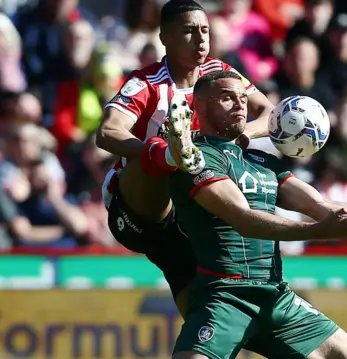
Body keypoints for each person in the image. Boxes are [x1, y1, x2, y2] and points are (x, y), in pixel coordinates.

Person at [168, 70, 347, 359]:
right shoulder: (195, 158)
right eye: (227, 98)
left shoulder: (262, 161)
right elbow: (243, 219)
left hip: (277, 297)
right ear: (201, 106)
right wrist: (317, 231)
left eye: (243, 98)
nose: (240, 105)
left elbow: (319, 205)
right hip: (224, 296)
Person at [95, 0, 273, 314]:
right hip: (137, 208)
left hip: (188, 208)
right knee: (166, 159)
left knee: (202, 303)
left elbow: (268, 111)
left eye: (204, 30)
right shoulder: (145, 84)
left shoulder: (220, 75)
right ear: (164, 37)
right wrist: (155, 150)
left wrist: (245, 135)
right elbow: (107, 133)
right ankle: (173, 153)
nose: (201, 40)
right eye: (189, 31)